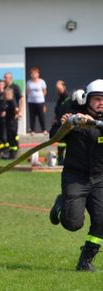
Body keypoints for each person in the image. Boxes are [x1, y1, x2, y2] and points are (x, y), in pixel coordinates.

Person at [49, 79, 103, 272]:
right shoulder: (74, 118)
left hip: (100, 179)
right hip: (75, 177)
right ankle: (61, 203)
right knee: (73, 224)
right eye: (97, 99)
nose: (101, 103)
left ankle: (85, 261)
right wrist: (66, 124)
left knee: (101, 220)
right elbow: (53, 137)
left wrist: (93, 123)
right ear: (85, 99)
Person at [51, 80, 73, 165]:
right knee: (61, 142)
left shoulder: (67, 97)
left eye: (59, 88)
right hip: (59, 121)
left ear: (64, 87)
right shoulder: (60, 97)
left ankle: (63, 159)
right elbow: (57, 110)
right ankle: (60, 158)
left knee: (65, 142)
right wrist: (54, 119)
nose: (58, 90)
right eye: (57, 88)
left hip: (65, 122)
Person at [26, 67, 47, 134]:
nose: (33, 75)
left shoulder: (42, 81)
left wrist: (40, 97)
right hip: (31, 102)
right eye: (32, 73)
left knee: (41, 116)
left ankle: (44, 130)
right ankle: (32, 130)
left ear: (38, 74)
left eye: (35, 73)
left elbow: (44, 91)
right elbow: (27, 91)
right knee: (32, 116)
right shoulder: (28, 82)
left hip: (40, 101)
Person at [3, 88, 20, 159]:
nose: (6, 96)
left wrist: (16, 113)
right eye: (5, 94)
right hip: (8, 121)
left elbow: (16, 109)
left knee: (12, 137)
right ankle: (11, 154)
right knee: (9, 137)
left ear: (11, 95)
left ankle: (14, 154)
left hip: (12, 122)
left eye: (8, 94)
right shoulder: (7, 102)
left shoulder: (12, 101)